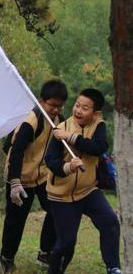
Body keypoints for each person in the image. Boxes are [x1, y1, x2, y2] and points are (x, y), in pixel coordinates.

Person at [45, 88, 121, 274]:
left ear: (95, 114)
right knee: (67, 243)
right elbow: (51, 161)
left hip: (88, 191)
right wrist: (68, 167)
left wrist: (71, 138)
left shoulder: (99, 126)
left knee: (110, 222)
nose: (78, 110)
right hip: (61, 195)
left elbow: (98, 147)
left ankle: (113, 267)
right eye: (77, 105)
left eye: (85, 108)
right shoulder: (60, 128)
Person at [0, 80, 67, 273]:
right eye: (52, 105)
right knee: (15, 221)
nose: (55, 109)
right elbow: (15, 151)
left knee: (55, 209)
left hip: (43, 176)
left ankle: (45, 251)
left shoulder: (58, 121)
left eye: (59, 106)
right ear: (41, 101)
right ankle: (7, 257)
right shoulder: (31, 121)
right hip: (20, 178)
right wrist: (14, 182)